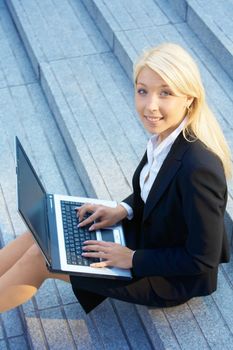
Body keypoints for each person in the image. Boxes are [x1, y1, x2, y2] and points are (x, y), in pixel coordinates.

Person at [0, 43, 232, 314]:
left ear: (189, 98)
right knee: (43, 230)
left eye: (165, 93)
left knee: (41, 258)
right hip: (146, 237)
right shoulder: (166, 138)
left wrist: (132, 258)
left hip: (165, 276)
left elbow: (202, 259)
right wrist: (123, 208)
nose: (150, 106)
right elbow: (156, 191)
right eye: (142, 91)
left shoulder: (199, 167)